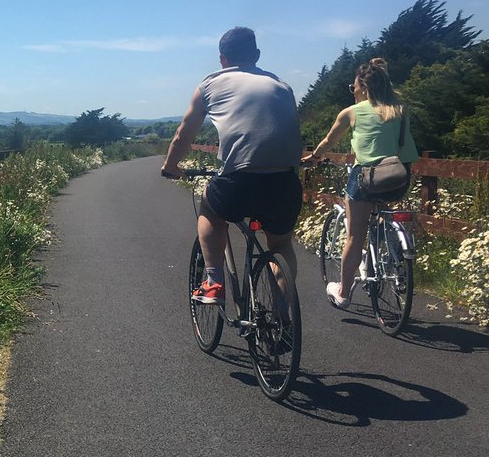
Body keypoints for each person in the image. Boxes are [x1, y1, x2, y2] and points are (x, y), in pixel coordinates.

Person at [161, 27, 304, 302]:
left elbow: (184, 133)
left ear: (222, 59)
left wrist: (171, 166)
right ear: (257, 55)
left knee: (210, 210)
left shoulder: (209, 85)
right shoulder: (282, 86)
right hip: (285, 182)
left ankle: (213, 280)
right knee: (280, 243)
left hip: (238, 183)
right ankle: (282, 311)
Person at [301, 57, 419, 308]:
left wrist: (315, 157)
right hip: (398, 177)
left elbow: (328, 141)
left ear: (363, 88)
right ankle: (394, 253)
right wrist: (382, 71)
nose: (352, 91)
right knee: (384, 213)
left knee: (355, 237)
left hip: (367, 179)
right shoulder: (399, 109)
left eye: (353, 87)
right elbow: (387, 91)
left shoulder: (351, 113)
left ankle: (343, 292)